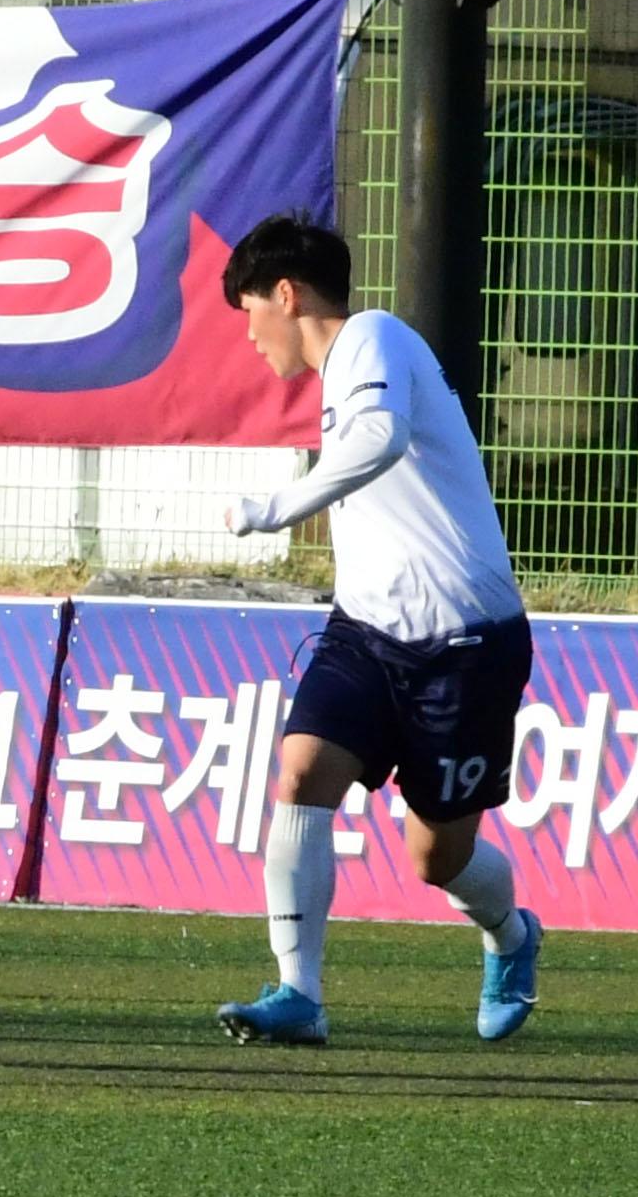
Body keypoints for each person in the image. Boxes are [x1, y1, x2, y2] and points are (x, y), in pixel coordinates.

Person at [216, 212, 541, 1047]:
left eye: (249, 309)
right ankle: (299, 994)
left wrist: (278, 507)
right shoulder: (344, 378)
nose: (250, 336)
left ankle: (512, 935)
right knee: (300, 772)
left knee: (437, 859)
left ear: (285, 295)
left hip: (466, 645)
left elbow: (381, 439)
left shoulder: (371, 337)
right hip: (365, 634)